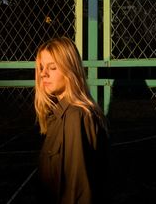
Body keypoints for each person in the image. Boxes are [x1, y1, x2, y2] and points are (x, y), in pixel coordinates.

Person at [34, 37, 109, 204]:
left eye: (52, 67)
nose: (43, 73)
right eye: (41, 67)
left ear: (70, 70)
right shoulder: (58, 114)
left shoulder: (76, 117)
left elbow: (78, 190)